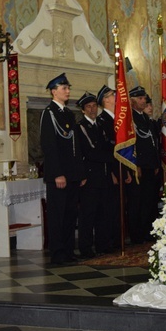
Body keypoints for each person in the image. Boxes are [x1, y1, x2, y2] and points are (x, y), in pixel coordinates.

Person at [40, 74, 85, 265]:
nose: (67, 91)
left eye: (68, 88)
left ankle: (67, 250)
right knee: (58, 215)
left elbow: (75, 146)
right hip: (59, 175)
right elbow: (49, 145)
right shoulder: (49, 112)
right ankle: (57, 253)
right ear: (54, 91)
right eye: (64, 88)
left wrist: (79, 173)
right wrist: (58, 173)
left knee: (69, 214)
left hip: (72, 174)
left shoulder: (68, 113)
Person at [76, 92, 110, 258]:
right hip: (89, 177)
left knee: (103, 213)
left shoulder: (100, 126)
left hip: (102, 175)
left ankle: (102, 244)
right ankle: (86, 247)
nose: (92, 109)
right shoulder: (81, 126)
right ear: (83, 110)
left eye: (94, 106)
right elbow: (90, 151)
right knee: (87, 215)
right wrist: (109, 156)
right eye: (88, 107)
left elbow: (106, 145)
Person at [96, 85, 128, 253]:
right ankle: (107, 242)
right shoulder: (103, 121)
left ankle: (118, 238)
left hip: (121, 168)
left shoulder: (118, 119)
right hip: (110, 171)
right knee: (108, 209)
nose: (116, 97)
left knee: (119, 207)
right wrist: (113, 173)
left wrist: (127, 170)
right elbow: (106, 149)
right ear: (105, 100)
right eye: (112, 95)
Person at [127, 86, 161, 244]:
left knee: (149, 200)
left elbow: (152, 142)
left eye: (143, 98)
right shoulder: (131, 118)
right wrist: (136, 165)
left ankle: (147, 230)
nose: (143, 101)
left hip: (149, 165)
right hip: (138, 166)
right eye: (140, 99)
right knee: (137, 201)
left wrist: (155, 163)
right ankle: (136, 234)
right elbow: (132, 144)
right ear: (132, 101)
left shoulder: (145, 118)